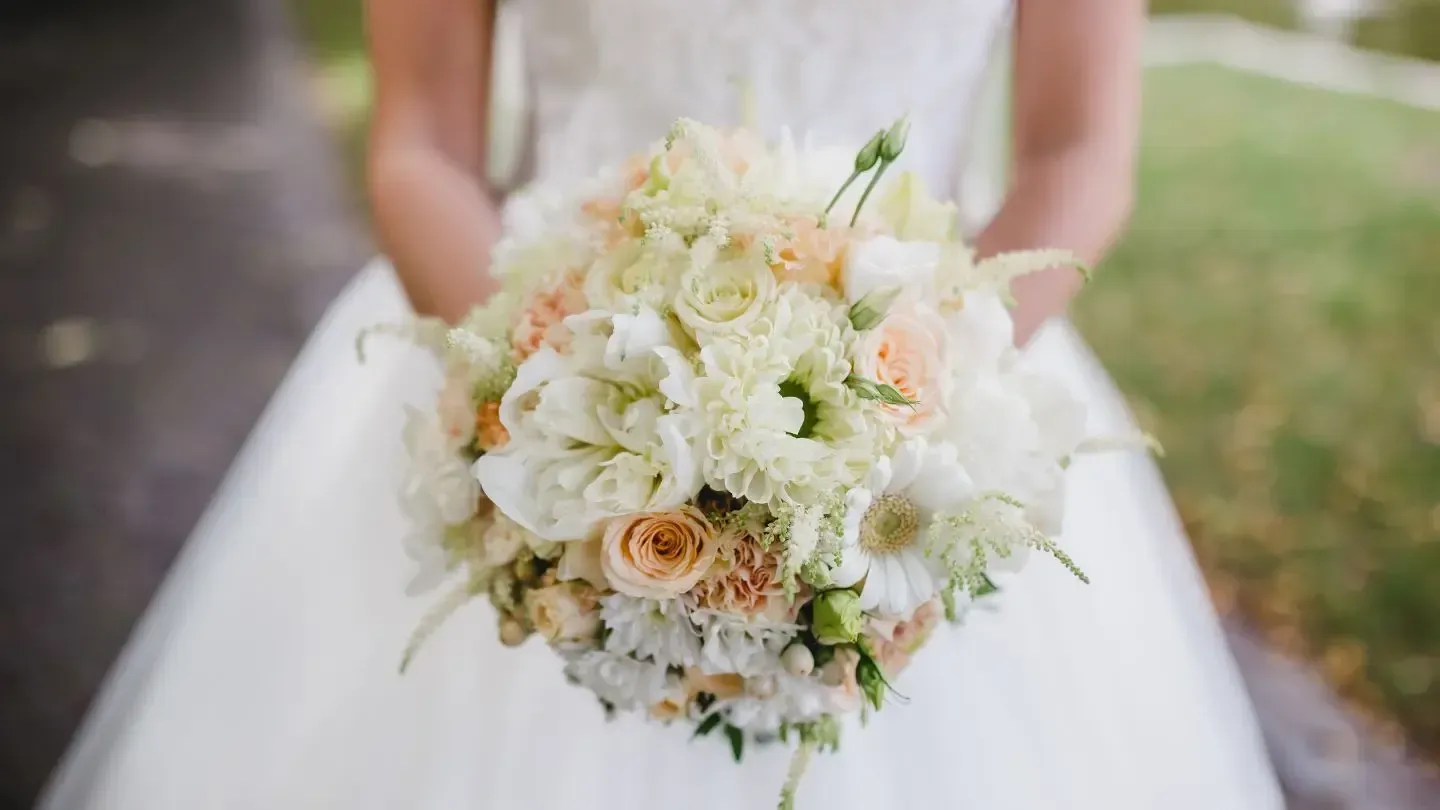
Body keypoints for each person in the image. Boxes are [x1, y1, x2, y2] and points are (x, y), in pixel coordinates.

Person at [39, 1, 1287, 807]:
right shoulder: (527, 386)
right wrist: (531, 393)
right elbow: (421, 136)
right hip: (529, 369)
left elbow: (1079, 156)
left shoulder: (929, 410)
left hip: (936, 390)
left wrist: (909, 415)